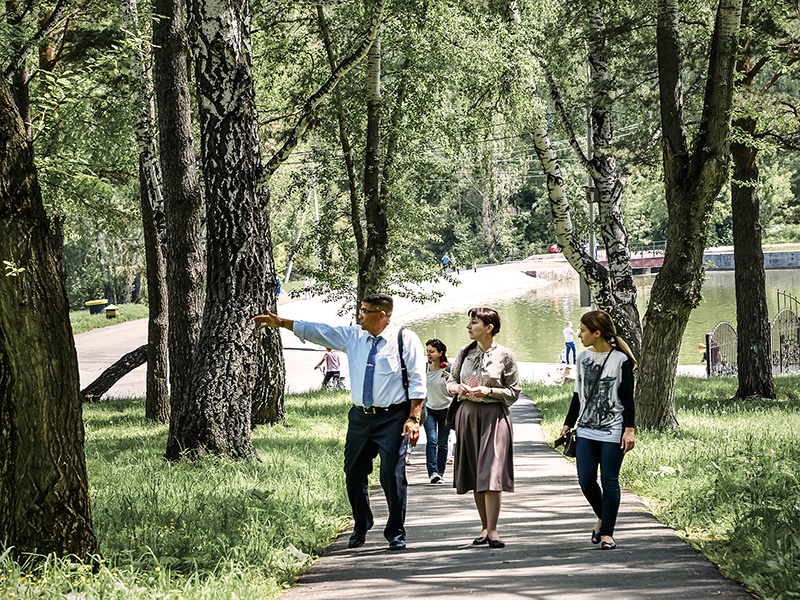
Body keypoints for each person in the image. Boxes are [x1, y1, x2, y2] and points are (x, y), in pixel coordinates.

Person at [254, 294, 427, 551]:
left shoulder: (405, 339)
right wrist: (282, 323)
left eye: (365, 311)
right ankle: (362, 523)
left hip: (393, 418)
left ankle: (395, 532)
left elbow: (417, 380)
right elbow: (321, 332)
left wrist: (413, 418)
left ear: (382, 315)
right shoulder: (354, 336)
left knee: (391, 475)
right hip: (360, 418)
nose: (360, 316)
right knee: (353, 473)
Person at [559, 310, 636, 551]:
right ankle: (604, 518)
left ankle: (607, 534)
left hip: (613, 430)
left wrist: (629, 429)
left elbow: (628, 399)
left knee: (610, 480)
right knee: (586, 480)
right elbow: (577, 395)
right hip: (586, 430)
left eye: (583, 330)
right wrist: (567, 424)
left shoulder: (621, 361)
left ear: (597, 332)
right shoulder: (582, 358)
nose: (579, 334)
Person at [447, 307, 520, 549]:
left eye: (474, 323)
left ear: (489, 328)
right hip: (467, 416)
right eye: (469, 322)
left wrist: (489, 391)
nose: (469, 327)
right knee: (475, 472)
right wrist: (457, 389)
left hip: (494, 417)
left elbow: (514, 391)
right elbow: (450, 382)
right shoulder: (464, 352)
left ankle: (494, 529)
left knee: (491, 472)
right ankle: (484, 527)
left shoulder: (505, 355)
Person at [423, 338, 454, 484]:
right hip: (429, 409)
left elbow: (454, 393)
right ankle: (433, 472)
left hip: (446, 410)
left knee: (442, 443)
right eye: (427, 351)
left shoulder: (448, 369)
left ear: (440, 353)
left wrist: (450, 381)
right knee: (432, 440)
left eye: (432, 351)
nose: (429, 354)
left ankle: (440, 473)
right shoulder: (424, 369)